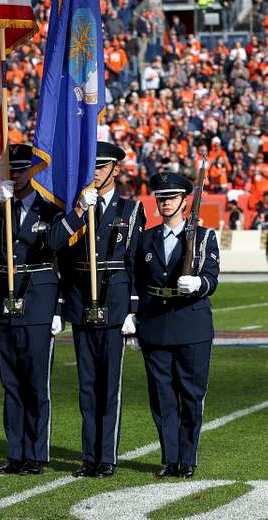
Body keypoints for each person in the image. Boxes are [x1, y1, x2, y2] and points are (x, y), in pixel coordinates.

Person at [0, 144, 77, 476]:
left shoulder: (49, 208)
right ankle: (15, 453)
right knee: (10, 382)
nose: (16, 174)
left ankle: (36, 454)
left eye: (22, 169)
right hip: (2, 299)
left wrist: (58, 307)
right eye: (11, 169)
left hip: (39, 298)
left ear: (34, 170)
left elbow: (61, 256)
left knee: (36, 383)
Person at [58, 141, 146, 479]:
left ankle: (106, 456)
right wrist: (79, 211)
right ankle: (88, 456)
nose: (94, 172)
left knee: (109, 386)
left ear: (115, 170)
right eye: (91, 166)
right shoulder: (77, 207)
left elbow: (136, 262)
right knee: (87, 386)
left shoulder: (131, 210)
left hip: (115, 304)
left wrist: (133, 310)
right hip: (82, 303)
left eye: (102, 166)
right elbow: (59, 253)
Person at [135, 171, 220, 479]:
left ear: (185, 200)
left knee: (191, 396)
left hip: (191, 325)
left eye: (171, 197)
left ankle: (188, 459)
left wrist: (198, 283)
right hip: (155, 324)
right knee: (162, 397)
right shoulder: (146, 238)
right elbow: (137, 281)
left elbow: (212, 278)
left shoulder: (204, 236)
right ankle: (170, 458)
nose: (165, 202)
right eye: (161, 197)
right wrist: (134, 316)